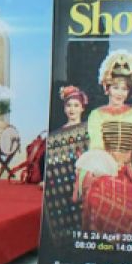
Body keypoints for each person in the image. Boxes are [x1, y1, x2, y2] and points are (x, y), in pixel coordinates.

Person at [76, 51, 132, 235]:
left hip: (128, 172)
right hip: (105, 172)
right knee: (101, 204)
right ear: (107, 88)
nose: (120, 93)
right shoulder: (97, 114)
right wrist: (105, 169)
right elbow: (97, 146)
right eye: (116, 87)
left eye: (124, 88)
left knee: (131, 212)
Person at [43, 86, 90, 236]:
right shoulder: (54, 136)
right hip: (62, 186)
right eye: (69, 105)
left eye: (76, 105)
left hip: (86, 181)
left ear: (82, 108)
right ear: (64, 108)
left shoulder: (91, 129)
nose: (72, 109)